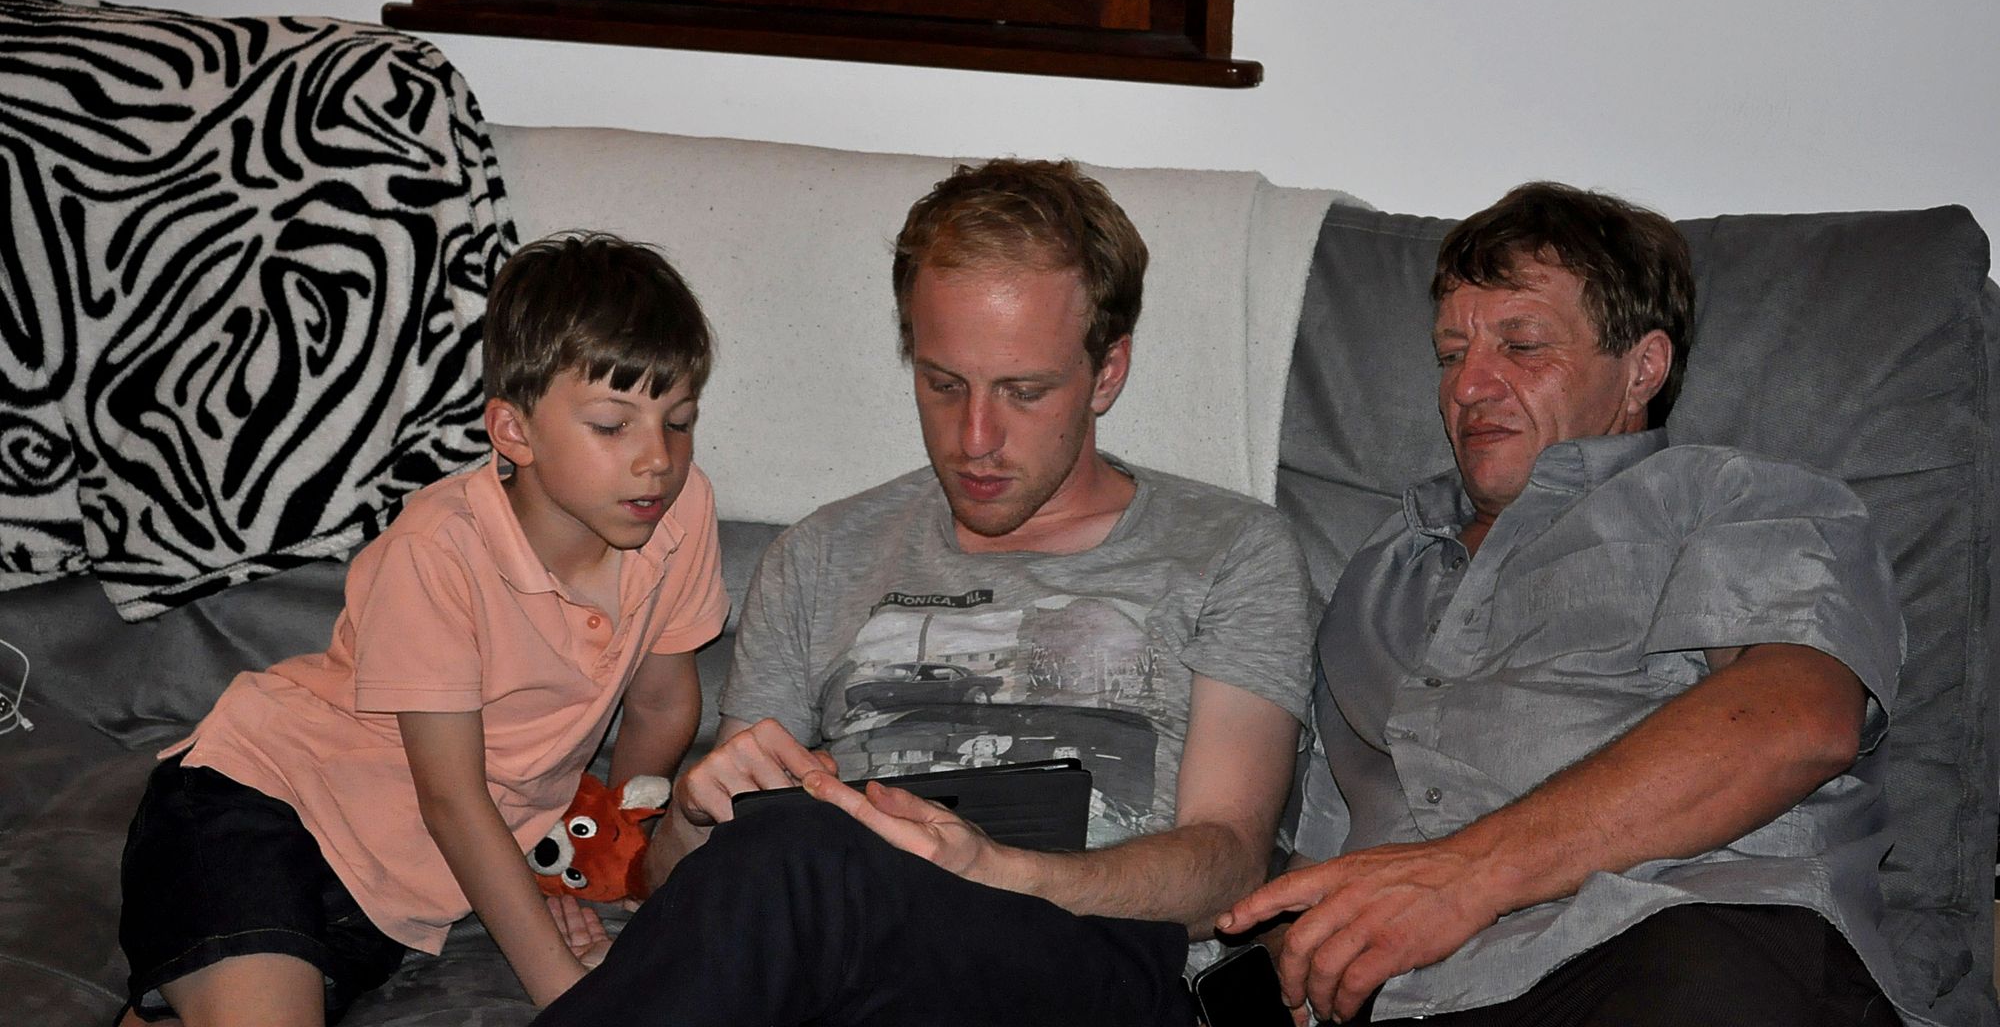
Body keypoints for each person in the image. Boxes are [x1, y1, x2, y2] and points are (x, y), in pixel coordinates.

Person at [535, 158, 1313, 1027]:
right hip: (846, 950)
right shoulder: (820, 554)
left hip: (1090, 960)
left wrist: (1001, 870)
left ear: (1107, 372)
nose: (975, 438)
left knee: (803, 852)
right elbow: (691, 895)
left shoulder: (1229, 550)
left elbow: (1229, 865)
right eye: (944, 385)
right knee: (786, 851)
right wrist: (691, 812)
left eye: (1023, 391)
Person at [1218, 182, 1921, 1025]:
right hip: (1410, 998)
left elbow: (1797, 722)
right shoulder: (1379, 573)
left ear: (1642, 368)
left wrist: (1468, 876)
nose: (1469, 386)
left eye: (1521, 345)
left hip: (1676, 942)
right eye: (1451, 354)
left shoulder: (1738, 500)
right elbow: (1328, 851)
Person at [115, 233, 728, 1024]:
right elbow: (451, 800)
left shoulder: (681, 511)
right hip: (264, 806)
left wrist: (615, 853)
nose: (658, 459)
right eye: (613, 425)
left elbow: (660, 702)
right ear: (513, 432)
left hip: (393, 896)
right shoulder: (437, 551)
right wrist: (570, 992)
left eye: (678, 421)